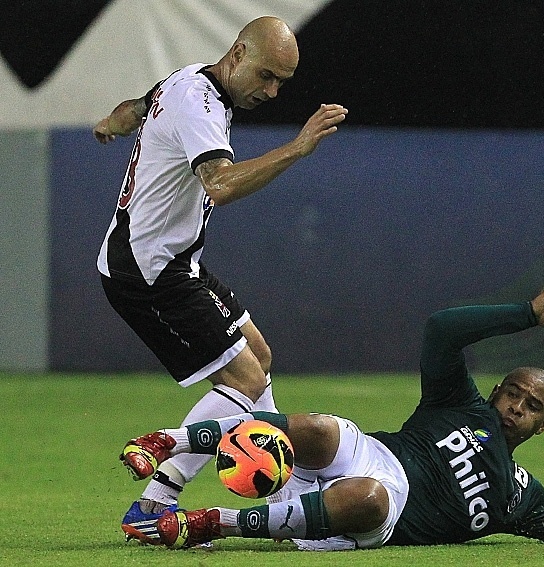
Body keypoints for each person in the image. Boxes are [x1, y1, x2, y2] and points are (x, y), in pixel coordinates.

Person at [120, 282, 544, 549]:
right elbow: (441, 329)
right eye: (512, 393)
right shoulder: (460, 404)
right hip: (374, 452)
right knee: (315, 426)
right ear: (495, 392)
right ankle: (170, 440)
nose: (516, 406)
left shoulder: (520, 498)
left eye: (531, 406)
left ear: (543, 426)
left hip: (378, 510)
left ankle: (209, 522)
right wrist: (527, 315)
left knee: (368, 497)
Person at [93, 15, 348, 541]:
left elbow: (134, 111)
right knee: (244, 381)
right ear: (236, 53)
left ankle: (287, 492)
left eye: (283, 82)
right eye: (267, 75)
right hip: (149, 272)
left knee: (260, 354)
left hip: (177, 260)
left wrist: (110, 125)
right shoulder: (199, 103)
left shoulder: (188, 80)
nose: (273, 91)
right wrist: (298, 148)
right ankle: (155, 499)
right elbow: (221, 184)